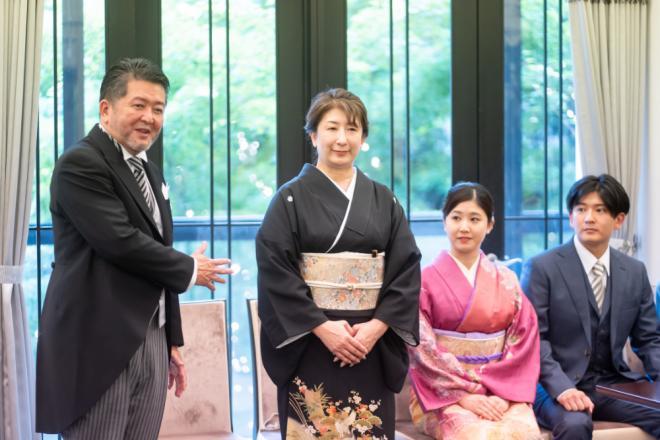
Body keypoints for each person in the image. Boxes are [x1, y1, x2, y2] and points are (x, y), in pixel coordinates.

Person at [36, 58, 232, 439]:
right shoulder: (81, 163)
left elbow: (158, 249)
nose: (150, 118)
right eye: (139, 105)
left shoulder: (149, 171)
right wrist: (191, 269)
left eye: (158, 109)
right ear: (106, 109)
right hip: (97, 342)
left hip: (151, 338)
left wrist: (171, 340)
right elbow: (121, 241)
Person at [256, 88, 421, 439]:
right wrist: (322, 327)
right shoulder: (288, 199)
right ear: (313, 135)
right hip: (311, 343)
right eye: (332, 128)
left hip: (370, 345)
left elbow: (406, 271)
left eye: (352, 129)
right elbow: (275, 273)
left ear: (363, 138)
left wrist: (376, 327)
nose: (342, 139)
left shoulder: (385, 200)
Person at [521, 174, 660, 439]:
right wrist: (563, 388)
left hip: (611, 384)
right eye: (581, 209)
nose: (589, 218)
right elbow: (534, 340)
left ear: (619, 220)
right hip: (553, 384)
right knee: (575, 425)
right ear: (571, 217)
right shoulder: (542, 268)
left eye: (600, 210)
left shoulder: (634, 271)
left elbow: (649, 340)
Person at [408, 182, 541, 440]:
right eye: (456, 218)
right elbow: (421, 350)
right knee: (477, 434)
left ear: (490, 225)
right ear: (444, 222)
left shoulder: (507, 280)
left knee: (523, 432)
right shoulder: (424, 281)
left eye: (474, 219)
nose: (464, 227)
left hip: (500, 392)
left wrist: (504, 395)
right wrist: (465, 396)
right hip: (440, 395)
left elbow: (524, 341)